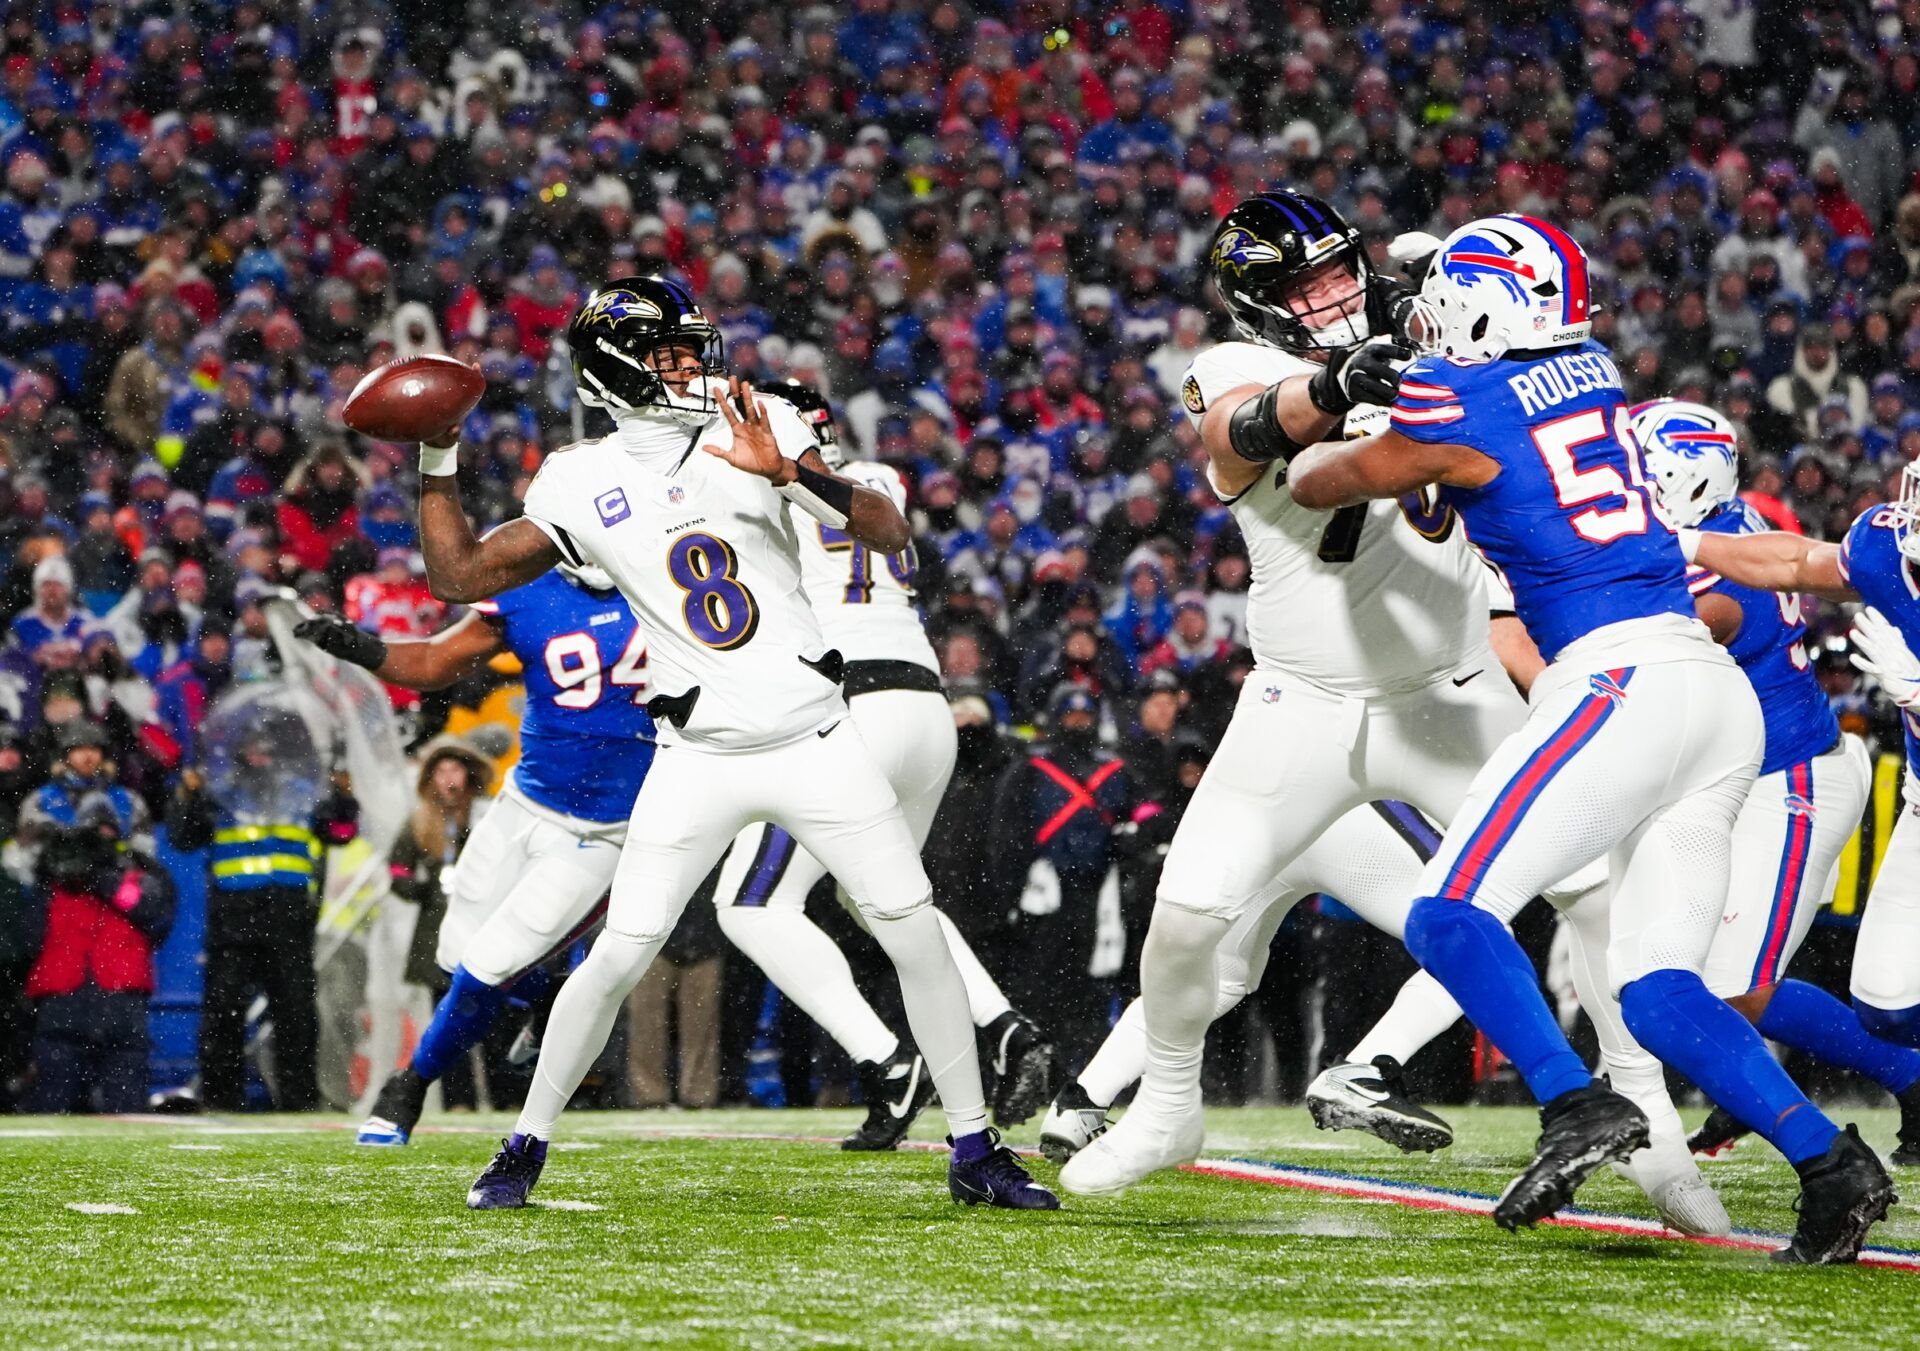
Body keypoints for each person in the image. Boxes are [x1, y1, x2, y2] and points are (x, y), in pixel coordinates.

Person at [1283, 214, 1892, 1263]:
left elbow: (1315, 482)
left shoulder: (1462, 397)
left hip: (1618, 678)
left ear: (1487, 307)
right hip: (1714, 700)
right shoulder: (1592, 368)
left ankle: (1572, 1100)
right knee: (1658, 990)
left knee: (1448, 913)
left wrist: (1357, 396)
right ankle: (1831, 1164)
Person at [414, 277, 1056, 1211]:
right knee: (620, 950)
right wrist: (439, 449)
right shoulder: (577, 477)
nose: (691, 366)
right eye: (668, 353)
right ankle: (523, 1144)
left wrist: (794, 473)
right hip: (699, 753)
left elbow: (890, 530)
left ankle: (975, 1147)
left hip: (816, 734)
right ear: (615, 369)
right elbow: (457, 572)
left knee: (911, 928)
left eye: (689, 348)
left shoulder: (753, 420)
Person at [705, 377, 1057, 1150]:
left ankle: (887, 1060)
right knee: (884, 899)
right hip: (922, 703)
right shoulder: (878, 478)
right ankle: (1004, 1028)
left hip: (847, 708)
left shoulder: (749, 480)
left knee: (750, 903)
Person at [1635, 400, 1920, 1162]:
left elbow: (1665, 645)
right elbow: (1790, 562)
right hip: (1751, 781)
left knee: (1736, 987)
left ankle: (1862, 1084)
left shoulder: (1720, 580)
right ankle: (1757, 1087)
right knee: (1704, 973)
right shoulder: (1744, 528)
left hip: (1791, 780)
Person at [294, 557, 655, 1147]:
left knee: (488, 965)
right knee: (455, 959)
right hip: (523, 805)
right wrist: (361, 646)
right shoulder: (528, 589)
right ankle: (542, 1000)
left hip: (606, 828)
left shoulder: (663, 581)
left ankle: (407, 1087)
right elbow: (436, 661)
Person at [1686, 456, 1920, 1064]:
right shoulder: (1885, 548)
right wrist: (1686, 541)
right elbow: (1793, 561)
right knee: (1886, 1002)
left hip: (1804, 773)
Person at [167, 713, 359, 1112]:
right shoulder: (220, 791)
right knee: (223, 1012)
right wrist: (187, 795)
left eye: (268, 746)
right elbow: (183, 838)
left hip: (288, 918)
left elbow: (342, 834)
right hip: (232, 919)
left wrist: (343, 798)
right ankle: (222, 1100)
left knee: (296, 1016)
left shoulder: (306, 791)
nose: (260, 753)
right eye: (252, 745)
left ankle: (299, 1103)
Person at [987, 684, 1139, 1070]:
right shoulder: (1030, 768)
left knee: (1092, 991)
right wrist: (1011, 894)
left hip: (1098, 894)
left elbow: (1137, 820)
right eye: (1070, 715)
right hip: (1046, 895)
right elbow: (1008, 834)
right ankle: (1037, 1070)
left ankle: (1085, 1074)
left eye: (1085, 715)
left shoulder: (1117, 770)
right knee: (1039, 990)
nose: (1077, 722)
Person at [17, 788, 174, 1113]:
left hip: (120, 1000)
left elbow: (153, 913)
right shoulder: (53, 874)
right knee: (51, 1107)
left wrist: (104, 878)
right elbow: (28, 937)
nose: (100, 840)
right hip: (64, 999)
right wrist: (55, 868)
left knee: (127, 1108)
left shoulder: (139, 872)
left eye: (107, 832)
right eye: (93, 833)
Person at [386, 736, 496, 1107]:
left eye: (455, 769)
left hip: (485, 927)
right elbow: (396, 866)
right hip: (438, 931)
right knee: (448, 1021)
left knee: (495, 1018)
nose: (448, 778)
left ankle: (506, 1098)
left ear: (467, 774)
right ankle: (459, 1100)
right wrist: (417, 889)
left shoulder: (486, 816)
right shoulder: (420, 821)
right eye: (441, 771)